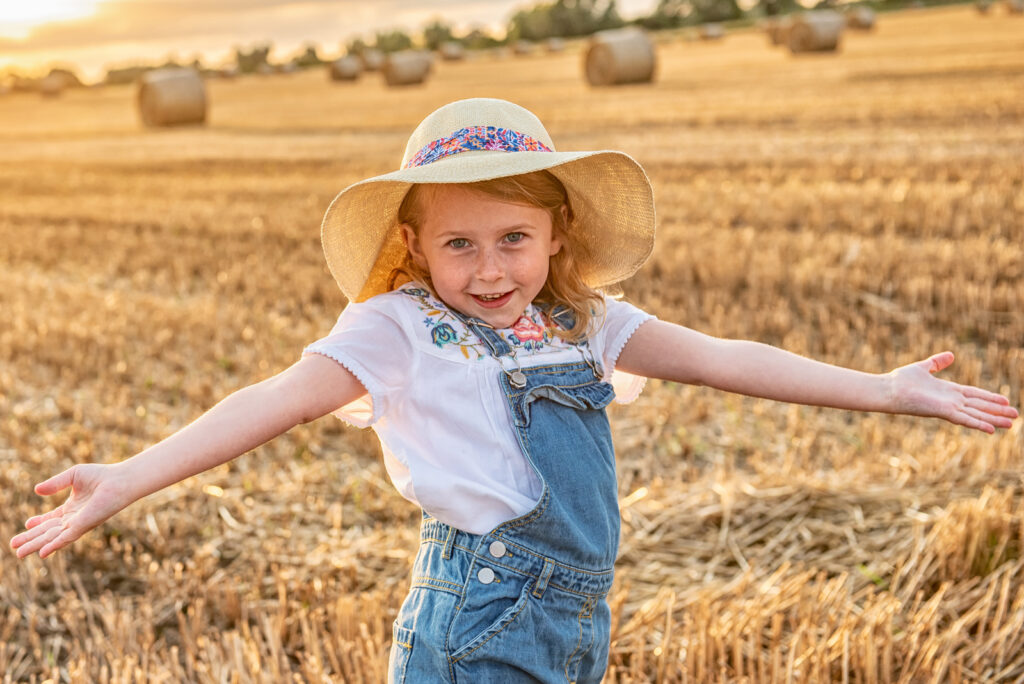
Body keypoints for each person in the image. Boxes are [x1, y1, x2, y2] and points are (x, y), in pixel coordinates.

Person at [10, 98, 1018, 682]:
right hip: (479, 607)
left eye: (512, 241)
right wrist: (129, 478)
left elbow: (727, 358)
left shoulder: (583, 322)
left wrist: (884, 391)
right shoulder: (398, 325)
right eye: (458, 244)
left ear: (555, 238)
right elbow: (271, 399)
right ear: (412, 245)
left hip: (576, 613)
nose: (489, 270)